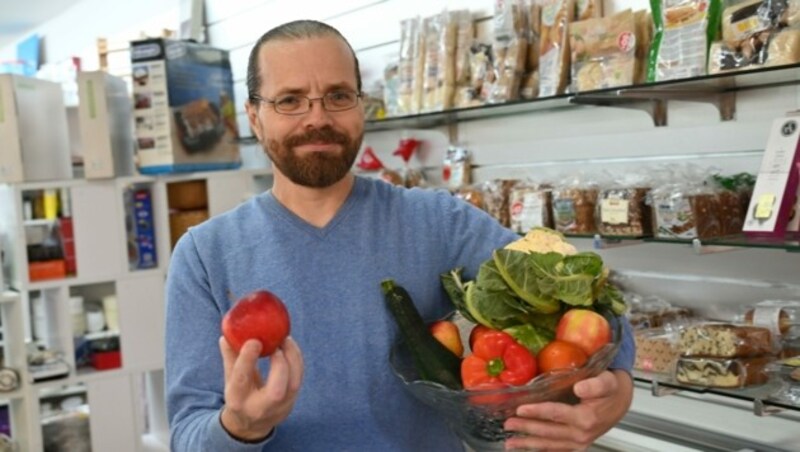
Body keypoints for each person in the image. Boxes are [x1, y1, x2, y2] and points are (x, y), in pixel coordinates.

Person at [165, 19, 635, 452]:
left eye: (338, 95)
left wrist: (619, 386)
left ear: (360, 105)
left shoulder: (441, 222)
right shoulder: (205, 255)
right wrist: (241, 427)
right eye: (289, 100)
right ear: (253, 116)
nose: (317, 118)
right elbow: (187, 433)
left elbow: (582, 298)